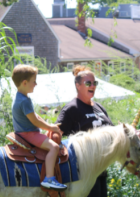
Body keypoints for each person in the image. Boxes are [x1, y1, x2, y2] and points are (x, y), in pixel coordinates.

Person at [57, 65, 113, 196]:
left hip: (101, 170)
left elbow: (112, 132)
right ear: (78, 85)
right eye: (88, 83)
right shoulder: (72, 108)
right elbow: (55, 135)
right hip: (83, 173)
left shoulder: (99, 107)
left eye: (95, 83)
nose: (92, 86)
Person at [12, 64, 67, 190]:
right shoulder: (24, 101)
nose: (35, 84)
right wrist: (51, 129)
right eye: (34, 81)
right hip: (28, 133)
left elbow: (35, 116)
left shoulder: (20, 97)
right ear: (25, 82)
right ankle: (49, 178)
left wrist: (49, 126)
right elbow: (35, 121)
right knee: (53, 147)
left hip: (25, 132)